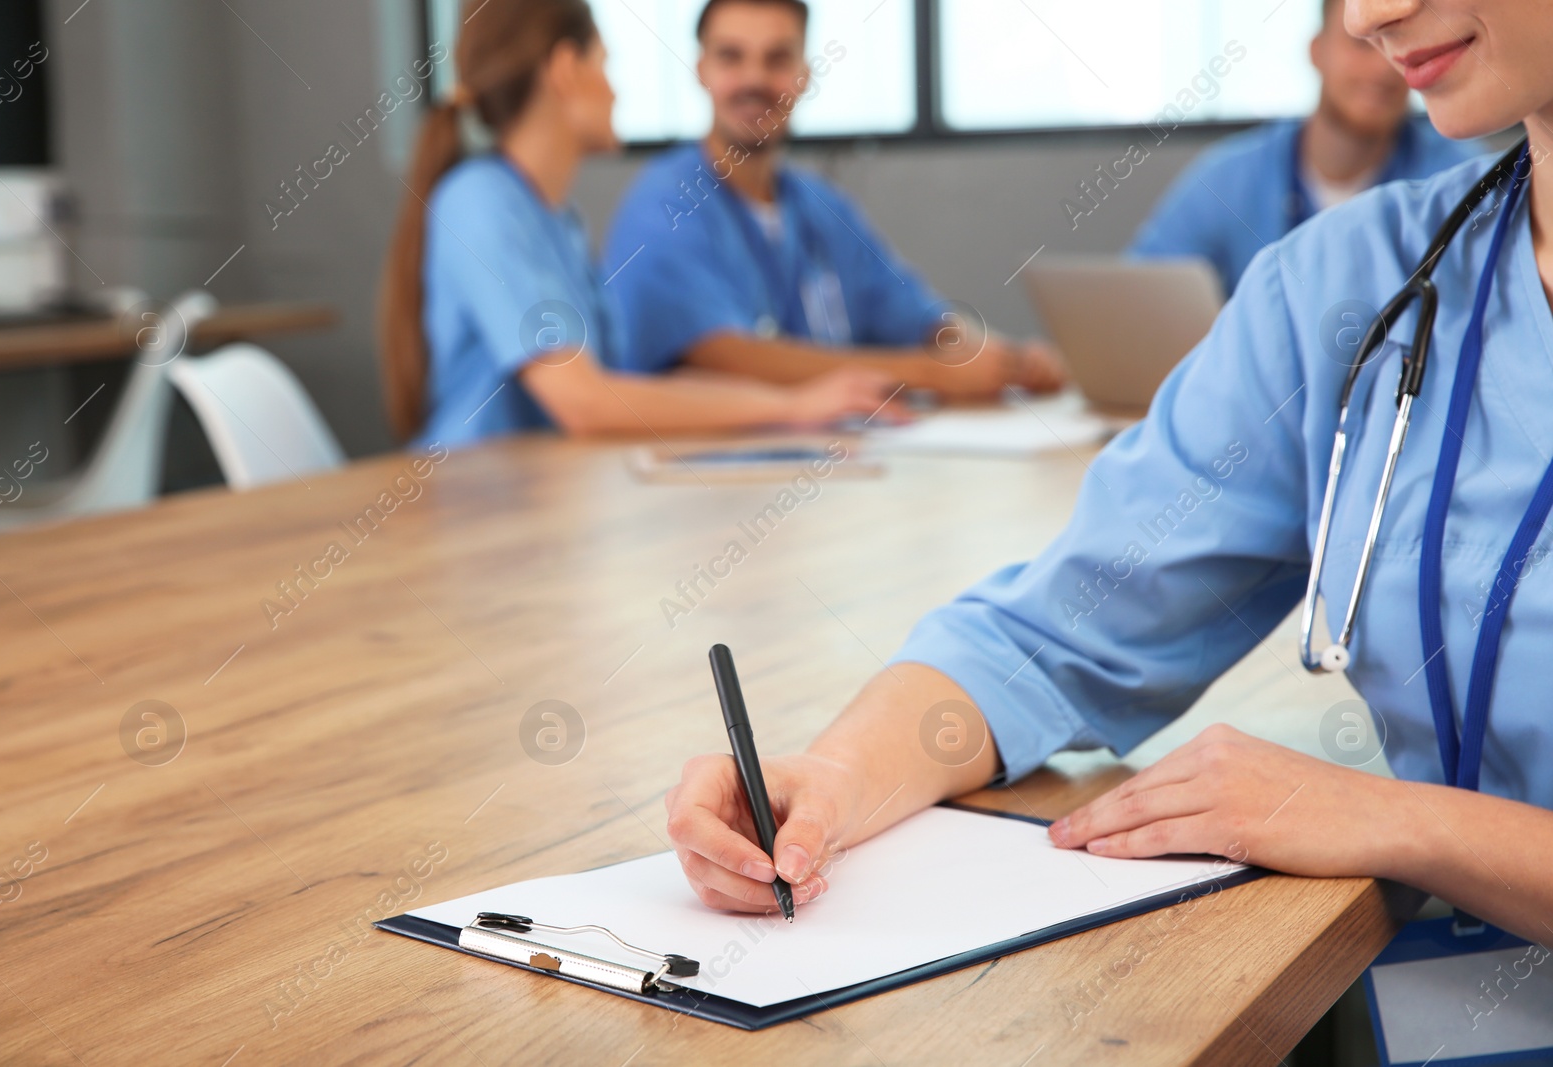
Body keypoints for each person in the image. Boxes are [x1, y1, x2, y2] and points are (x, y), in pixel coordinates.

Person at [664, 0, 1553, 950]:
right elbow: (1062, 625)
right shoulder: (1351, 282)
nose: (1375, 12)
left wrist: (1403, 822)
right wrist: (837, 776)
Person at [377, 0, 907, 448]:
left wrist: (790, 404)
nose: (615, 91)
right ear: (566, 70)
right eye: (605, 65)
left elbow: (617, 388)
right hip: (476, 516)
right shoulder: (480, 203)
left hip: (548, 501)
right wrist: (790, 406)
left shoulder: (559, 221)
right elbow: (583, 403)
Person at [600, 0, 1065, 402]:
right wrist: (930, 374)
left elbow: (920, 318)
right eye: (731, 57)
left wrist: (1005, 360)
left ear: (803, 76)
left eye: (777, 58)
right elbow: (725, 357)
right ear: (701, 71)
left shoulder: (822, 208)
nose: (754, 78)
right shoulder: (665, 204)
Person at [1127, 0, 1481, 296]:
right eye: (1362, 44)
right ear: (1316, 52)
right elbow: (1137, 299)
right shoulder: (1228, 180)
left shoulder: (1461, 183)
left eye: (1399, 45)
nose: (1382, 67)